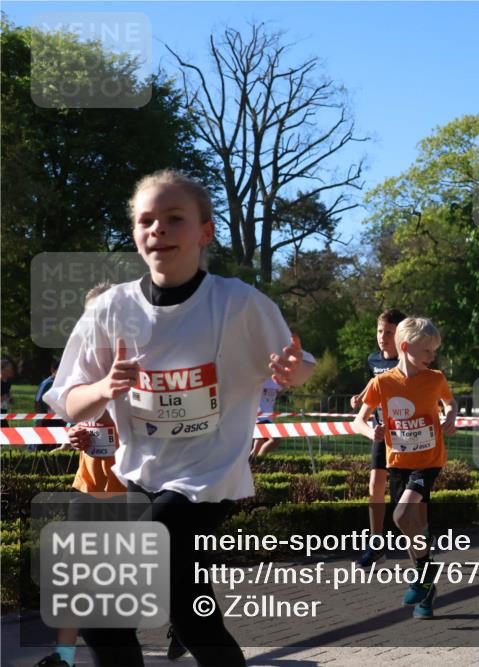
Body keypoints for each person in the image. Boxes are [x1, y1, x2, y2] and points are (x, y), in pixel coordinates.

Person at [45, 170, 314, 667]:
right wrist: (106, 387)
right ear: (135, 234)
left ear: (204, 232)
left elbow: (296, 367)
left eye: (174, 219)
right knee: (189, 613)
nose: (159, 230)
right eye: (147, 220)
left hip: (207, 478)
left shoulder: (238, 304)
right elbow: (67, 399)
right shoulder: (109, 309)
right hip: (141, 475)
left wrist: (294, 372)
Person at [35, 285, 129, 667]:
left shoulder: (136, 366)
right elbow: (77, 420)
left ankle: (185, 622)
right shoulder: (83, 369)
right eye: (90, 317)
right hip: (88, 486)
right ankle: (64, 657)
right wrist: (77, 435)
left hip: (132, 492)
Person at [353, 316, 456, 619]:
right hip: (398, 462)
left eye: (434, 352)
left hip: (428, 462)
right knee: (413, 530)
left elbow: (450, 403)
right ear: (407, 347)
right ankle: (427, 589)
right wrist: (369, 432)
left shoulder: (435, 378)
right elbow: (358, 419)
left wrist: (450, 416)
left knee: (401, 516)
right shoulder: (382, 383)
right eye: (428, 351)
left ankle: (425, 574)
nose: (432, 357)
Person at [349, 308, 407, 567]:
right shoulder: (373, 359)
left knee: (402, 496)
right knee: (374, 485)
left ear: (400, 335)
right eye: (380, 331)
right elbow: (376, 382)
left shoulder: (407, 360)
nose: (383, 337)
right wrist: (361, 396)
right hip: (381, 431)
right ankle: (376, 544)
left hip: (406, 434)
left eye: (389, 332)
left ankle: (419, 542)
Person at [250, 378, 284, 458]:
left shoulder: (275, 380)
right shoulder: (260, 379)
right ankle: (259, 461)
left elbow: (280, 391)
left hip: (268, 418)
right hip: (260, 418)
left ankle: (251, 464)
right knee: (275, 440)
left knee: (257, 447)